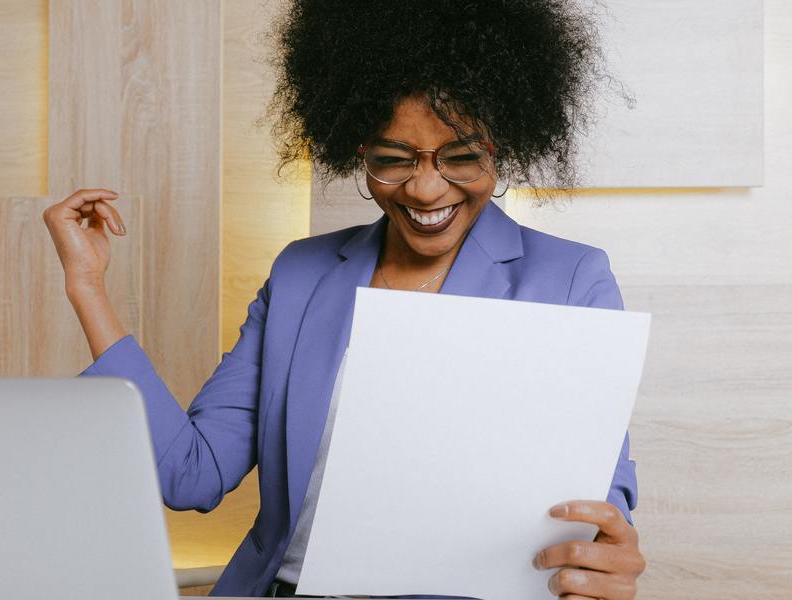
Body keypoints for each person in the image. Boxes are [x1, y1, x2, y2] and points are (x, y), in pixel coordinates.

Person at [42, 1, 645, 597]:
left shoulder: (570, 282)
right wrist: (87, 286)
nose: (426, 187)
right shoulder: (301, 275)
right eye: (392, 159)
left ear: (501, 146)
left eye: (461, 156)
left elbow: (596, 501)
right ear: (356, 149)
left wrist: (601, 562)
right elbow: (189, 475)